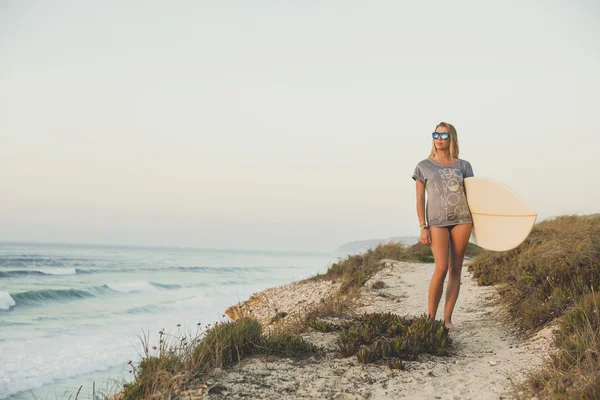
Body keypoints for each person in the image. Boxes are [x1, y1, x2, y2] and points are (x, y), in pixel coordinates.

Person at [412, 122, 474, 330]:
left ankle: (447, 320)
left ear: (452, 138)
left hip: (462, 219)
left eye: (444, 135)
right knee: (441, 268)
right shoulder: (424, 166)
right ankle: (430, 320)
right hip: (437, 222)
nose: (439, 138)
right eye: (436, 134)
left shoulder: (463, 166)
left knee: (455, 268)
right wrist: (423, 226)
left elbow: (474, 196)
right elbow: (420, 199)